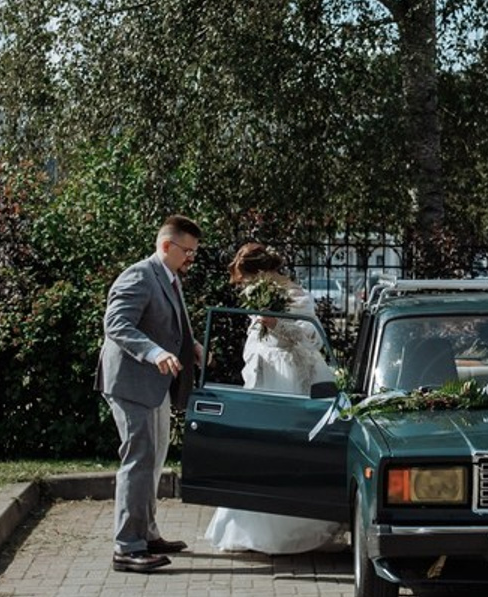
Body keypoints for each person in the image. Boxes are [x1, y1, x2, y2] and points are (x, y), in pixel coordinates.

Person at [204, 242, 345, 555]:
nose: (245, 285)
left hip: (289, 376)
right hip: (263, 374)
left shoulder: (297, 295)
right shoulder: (258, 293)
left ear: (262, 273)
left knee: (288, 446)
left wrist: (275, 323)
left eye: (247, 278)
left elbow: (310, 337)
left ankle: (290, 527)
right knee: (256, 448)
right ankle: (249, 528)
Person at [96, 215, 204, 574]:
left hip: (155, 385)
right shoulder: (139, 275)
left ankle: (147, 534)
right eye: (187, 251)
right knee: (139, 459)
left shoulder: (169, 276)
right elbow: (116, 324)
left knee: (153, 460)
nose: (191, 258)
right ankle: (127, 547)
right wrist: (155, 353)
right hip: (131, 383)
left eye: (194, 252)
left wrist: (191, 346)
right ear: (166, 246)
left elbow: (168, 322)